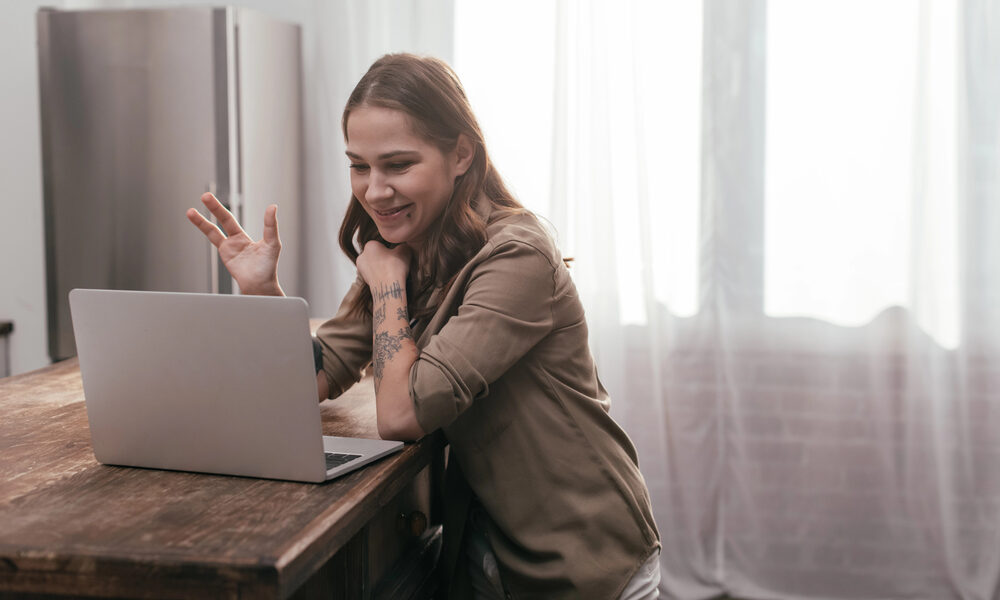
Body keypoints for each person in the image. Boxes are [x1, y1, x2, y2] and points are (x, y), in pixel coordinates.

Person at [187, 53, 660, 600]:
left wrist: (387, 284)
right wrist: (263, 292)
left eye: (398, 164)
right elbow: (311, 380)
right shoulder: (409, 242)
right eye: (359, 166)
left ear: (460, 153)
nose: (374, 190)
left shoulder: (518, 255)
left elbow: (401, 414)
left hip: (585, 558)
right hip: (489, 551)